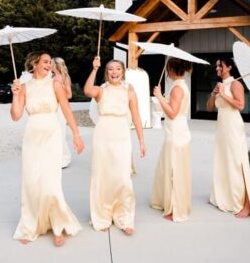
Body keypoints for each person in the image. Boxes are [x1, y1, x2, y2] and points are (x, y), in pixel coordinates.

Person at [10, 52, 85, 246]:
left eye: (50, 62)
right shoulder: (24, 87)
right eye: (45, 61)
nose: (49, 64)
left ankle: (58, 225)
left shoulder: (55, 84)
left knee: (51, 183)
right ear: (34, 63)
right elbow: (16, 116)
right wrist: (16, 95)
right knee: (32, 182)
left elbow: (67, 110)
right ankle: (31, 225)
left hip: (52, 136)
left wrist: (77, 135)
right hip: (31, 138)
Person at [84, 56, 146, 234]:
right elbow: (88, 91)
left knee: (122, 177)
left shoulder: (129, 89)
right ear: (107, 72)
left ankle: (124, 217)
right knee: (103, 176)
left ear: (123, 72)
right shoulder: (101, 90)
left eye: (118, 68)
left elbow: (136, 116)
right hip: (103, 134)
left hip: (122, 134)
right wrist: (94, 68)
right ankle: (102, 215)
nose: (114, 72)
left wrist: (142, 140)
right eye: (110, 69)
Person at [206, 57, 250, 219]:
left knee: (238, 162)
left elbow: (241, 105)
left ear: (229, 67)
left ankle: (247, 204)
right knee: (224, 161)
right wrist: (214, 94)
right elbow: (209, 108)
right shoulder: (220, 85)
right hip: (221, 127)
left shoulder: (236, 84)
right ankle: (225, 196)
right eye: (216, 66)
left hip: (233, 126)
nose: (217, 69)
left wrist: (224, 94)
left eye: (220, 66)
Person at [151, 58, 193, 222]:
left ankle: (176, 208)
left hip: (176, 133)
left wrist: (160, 97)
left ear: (173, 69)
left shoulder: (177, 88)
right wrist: (160, 99)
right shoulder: (181, 86)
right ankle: (169, 201)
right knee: (171, 168)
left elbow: (172, 113)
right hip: (176, 131)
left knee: (174, 170)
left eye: (168, 68)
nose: (167, 71)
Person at [51, 57, 74, 168]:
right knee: (52, 133)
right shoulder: (50, 77)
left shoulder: (65, 77)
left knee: (60, 133)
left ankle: (64, 158)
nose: (48, 65)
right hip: (51, 107)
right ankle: (53, 157)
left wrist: (62, 89)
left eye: (50, 63)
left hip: (60, 108)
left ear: (56, 65)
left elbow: (69, 95)